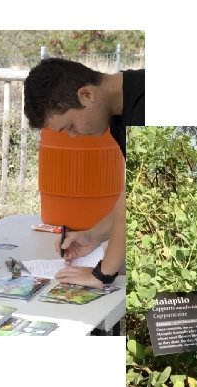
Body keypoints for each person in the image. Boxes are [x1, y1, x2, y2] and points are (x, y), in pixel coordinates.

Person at [23, 57, 145, 288]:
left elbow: (140, 196)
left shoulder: (144, 107)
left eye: (70, 127)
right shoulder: (120, 112)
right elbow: (130, 194)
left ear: (86, 95)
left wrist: (102, 274)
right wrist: (95, 235)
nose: (73, 136)